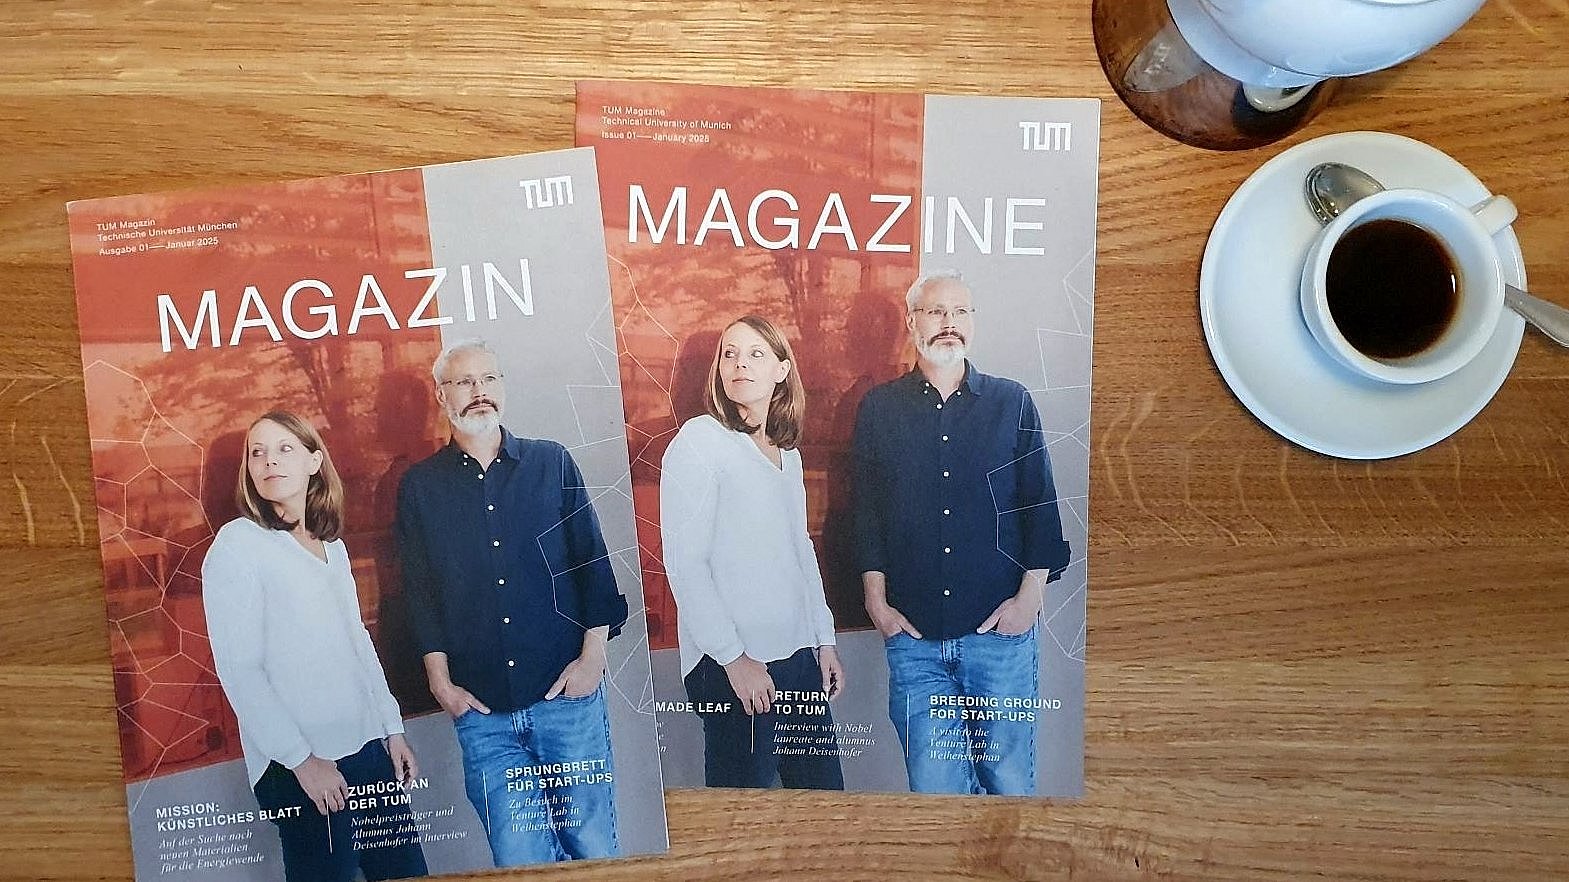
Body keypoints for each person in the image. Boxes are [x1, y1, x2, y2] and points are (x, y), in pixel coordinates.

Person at [397, 338, 627, 865]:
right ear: (442, 396)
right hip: (483, 714)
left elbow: (591, 562)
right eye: (465, 382)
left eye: (490, 380)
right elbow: (421, 593)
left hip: (566, 704)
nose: (480, 392)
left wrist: (593, 661)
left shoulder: (552, 463)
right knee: (520, 860)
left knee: (593, 851)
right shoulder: (420, 488)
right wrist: (441, 684)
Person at [851, 270, 1072, 796]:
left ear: (972, 324)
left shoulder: (1010, 402)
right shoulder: (880, 409)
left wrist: (1029, 601)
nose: (948, 324)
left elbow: (1038, 502)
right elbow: (866, 513)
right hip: (915, 643)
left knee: (1010, 785)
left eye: (960, 313)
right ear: (912, 323)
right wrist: (877, 604)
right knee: (934, 794)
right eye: (935, 312)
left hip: (998, 640)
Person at [202, 410, 428, 882]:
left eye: (284, 449)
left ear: (313, 461)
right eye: (257, 452)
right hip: (299, 763)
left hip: (367, 748)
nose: (268, 461)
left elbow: (356, 640)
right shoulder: (237, 544)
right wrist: (304, 763)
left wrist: (391, 728)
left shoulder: (332, 545)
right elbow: (241, 671)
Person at [659, 315, 846, 790]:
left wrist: (822, 642)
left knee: (822, 808)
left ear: (782, 370)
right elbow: (686, 563)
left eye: (755, 354)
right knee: (745, 825)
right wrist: (733, 659)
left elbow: (799, 550)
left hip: (797, 657)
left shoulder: (789, 453)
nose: (739, 363)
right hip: (731, 666)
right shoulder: (700, 441)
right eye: (729, 353)